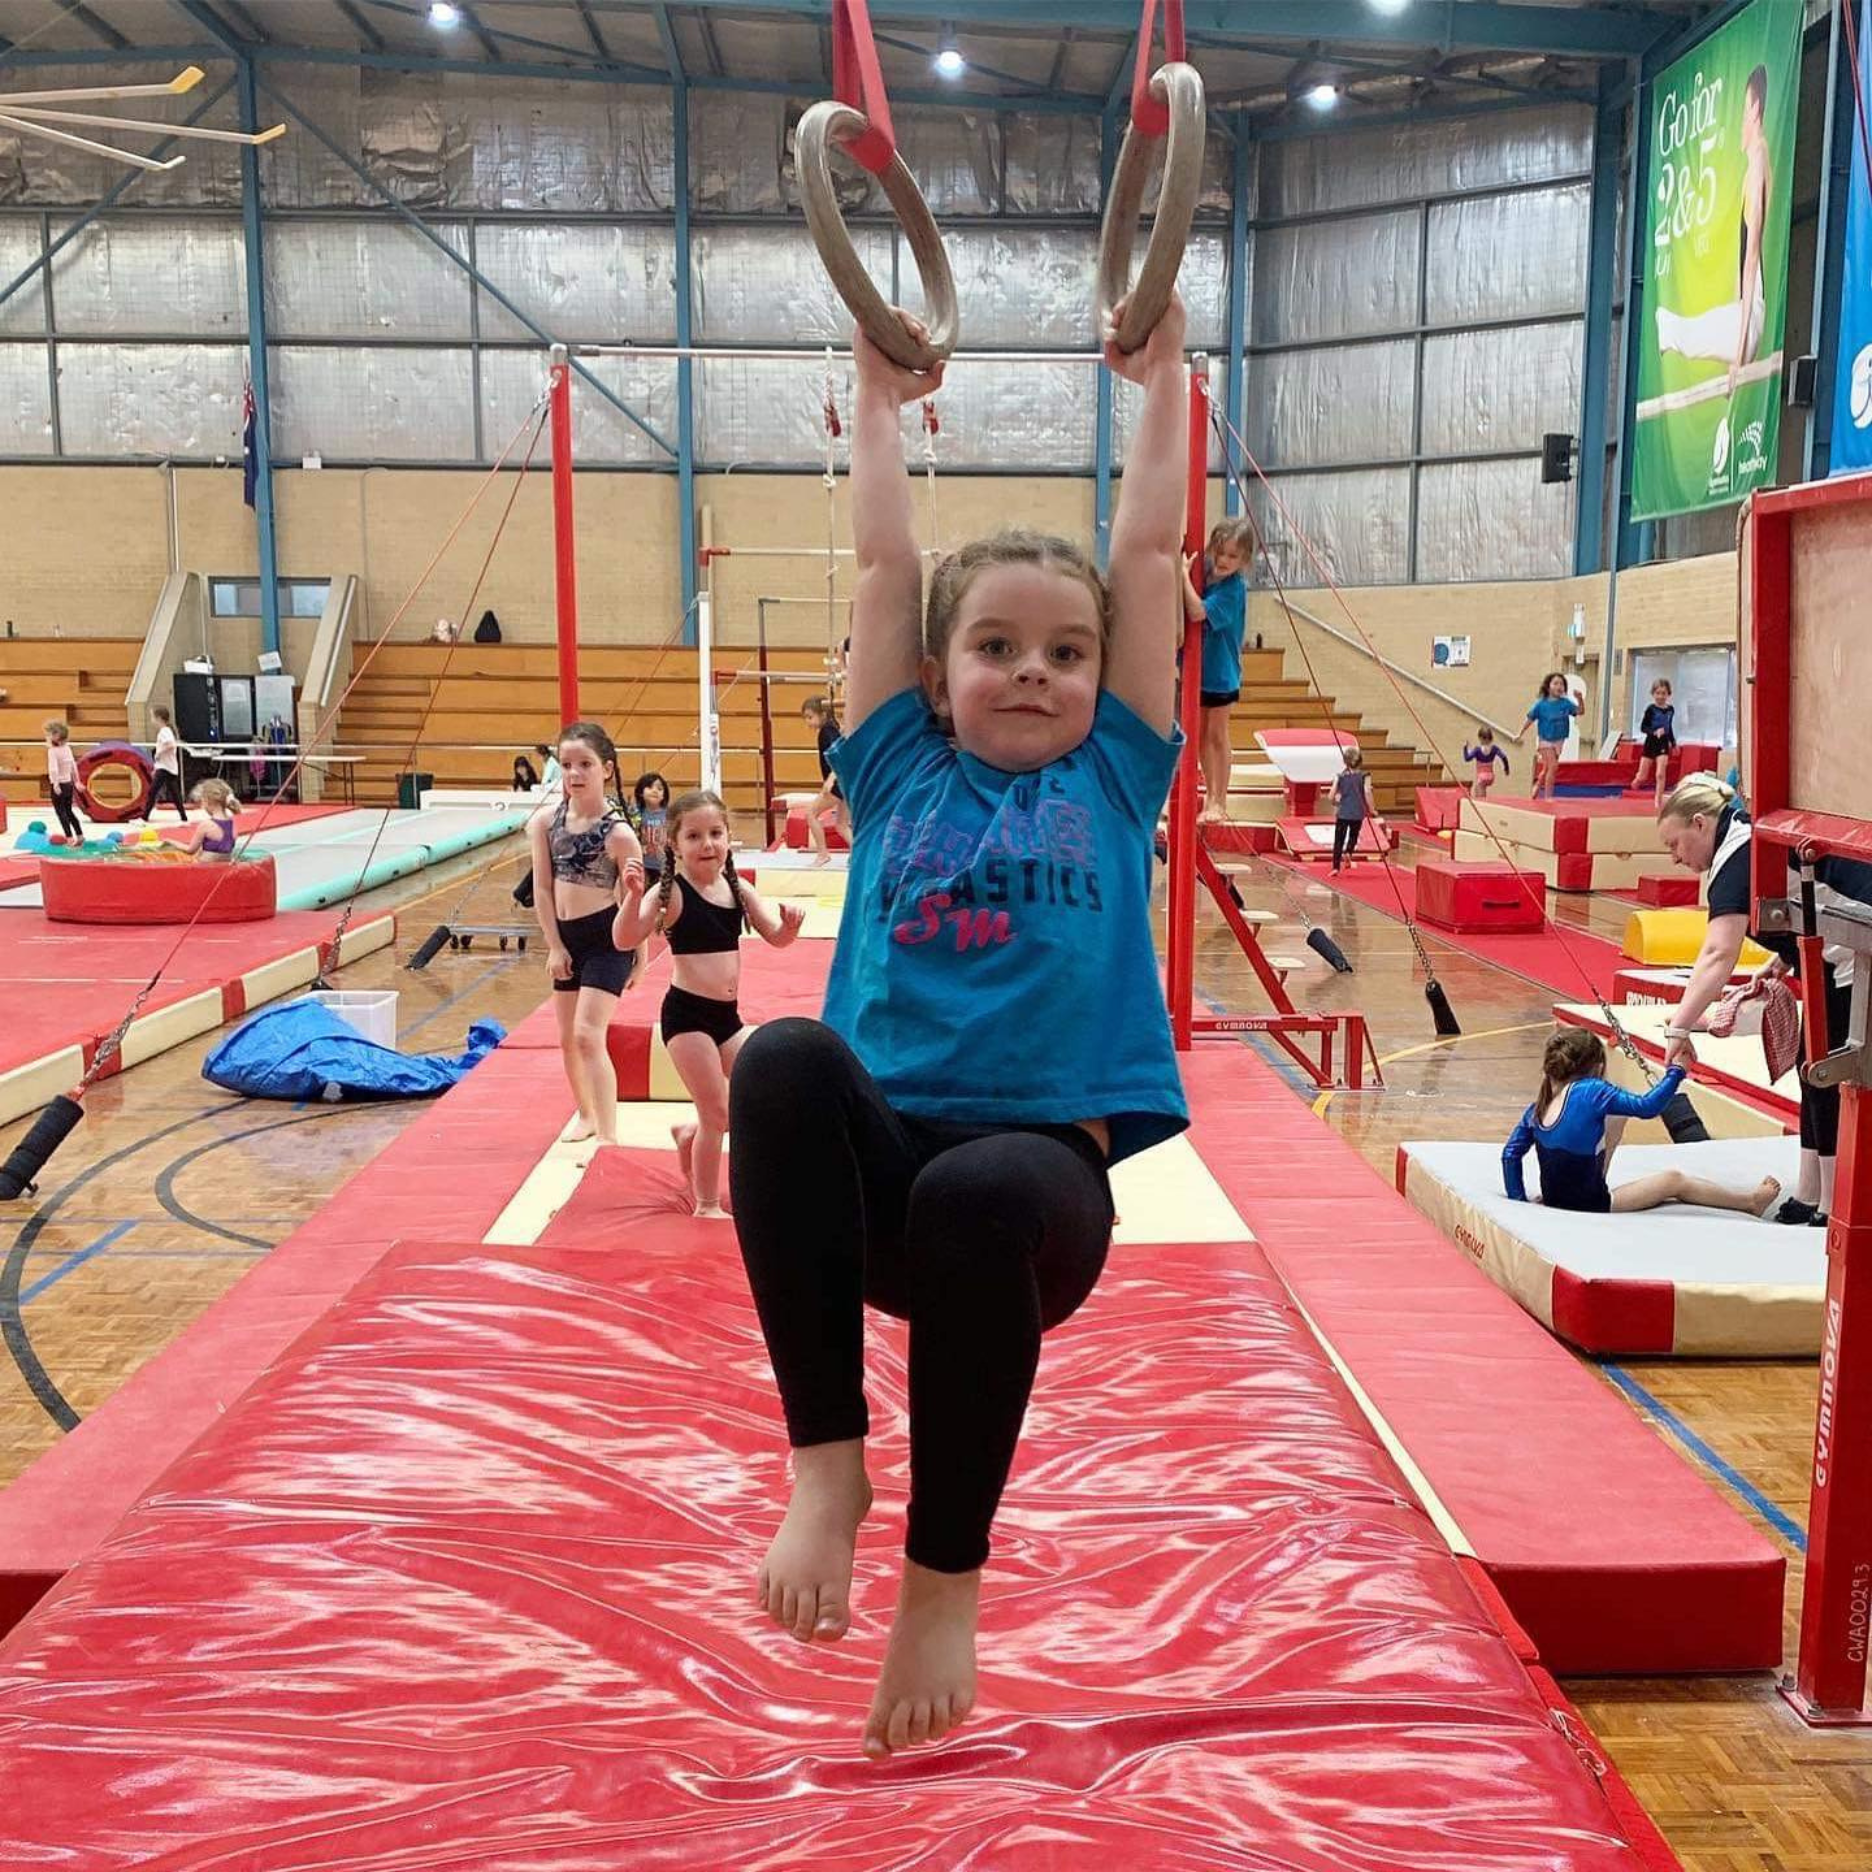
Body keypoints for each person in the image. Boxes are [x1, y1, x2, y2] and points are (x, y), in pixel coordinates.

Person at [726, 292, 1189, 1762]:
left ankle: (942, 1581)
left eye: (1066, 651)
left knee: (979, 1188)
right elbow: (883, 560)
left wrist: (1167, 380)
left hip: (1033, 1196)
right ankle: (827, 1465)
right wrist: (876, 404)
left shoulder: (1117, 777)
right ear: (938, 675)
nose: (1038, 672)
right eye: (998, 647)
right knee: (783, 1058)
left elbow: (1151, 556)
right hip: (878, 1188)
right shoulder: (899, 777)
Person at [1657, 773, 1872, 1228]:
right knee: (1809, 1070)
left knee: (1825, 1074)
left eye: (1675, 845)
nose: (1675, 858)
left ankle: (1833, 1203)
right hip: (1833, 955)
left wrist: (1679, 1027)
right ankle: (1812, 1190)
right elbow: (1799, 898)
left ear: (1700, 824)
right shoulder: (1744, 840)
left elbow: (1718, 953)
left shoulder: (1737, 854)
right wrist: (1784, 960)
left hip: (1857, 951)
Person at [611, 789, 804, 1219]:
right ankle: (706, 1202)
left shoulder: (738, 888)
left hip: (727, 1020)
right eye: (694, 836)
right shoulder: (671, 896)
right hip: (687, 1018)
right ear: (674, 846)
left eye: (716, 833)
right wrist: (630, 898)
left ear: (729, 838)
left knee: (755, 1097)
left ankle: (690, 1134)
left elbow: (775, 936)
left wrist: (788, 928)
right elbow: (624, 939)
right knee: (717, 1111)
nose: (708, 844)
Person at [1503, 1027, 1779, 1215]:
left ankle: (1590, 1182)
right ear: (1598, 1067)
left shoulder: (1536, 1108)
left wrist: (1520, 1203)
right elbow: (1647, 1107)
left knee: (1614, 1117)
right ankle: (1749, 1202)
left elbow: (1510, 1155)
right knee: (1674, 1181)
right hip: (1592, 1203)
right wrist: (1677, 1072)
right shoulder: (1592, 1091)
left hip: (1555, 1199)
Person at [527, 723, 644, 1149]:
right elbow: (542, 888)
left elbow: (635, 900)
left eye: (585, 765)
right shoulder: (545, 823)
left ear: (606, 769)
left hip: (607, 938)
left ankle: (609, 1135)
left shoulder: (619, 834)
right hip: (567, 938)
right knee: (566, 1038)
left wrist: (640, 955)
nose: (574, 774)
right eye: (567, 765)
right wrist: (554, 945)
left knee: (587, 1034)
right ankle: (587, 1114)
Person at [1656, 64, 1773, 397]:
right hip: (1747, 316)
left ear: (1753, 110)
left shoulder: (1755, 171)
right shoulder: (1759, 163)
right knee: (1675, 327)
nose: (1738, 124)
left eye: (1741, 111)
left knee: (1671, 327)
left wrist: (1739, 356)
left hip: (1750, 320)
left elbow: (1751, 261)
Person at [1180, 518, 1251, 823]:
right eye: (1219, 553)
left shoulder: (1233, 589)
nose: (1223, 561)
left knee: (1216, 736)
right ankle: (1208, 795)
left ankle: (1218, 800)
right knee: (1198, 738)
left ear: (1244, 560)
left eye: (1233, 556)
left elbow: (1196, 611)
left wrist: (1182, 576)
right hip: (1197, 671)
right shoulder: (1206, 576)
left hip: (1221, 672)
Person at [1514, 672, 1581, 800]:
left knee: (1547, 768)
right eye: (1555, 683)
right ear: (1548, 686)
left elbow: (1580, 711)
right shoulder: (1541, 704)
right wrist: (1520, 733)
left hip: (1559, 740)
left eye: (1561, 684)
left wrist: (1580, 699)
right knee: (1553, 767)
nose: (1559, 686)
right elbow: (1530, 719)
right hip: (1545, 739)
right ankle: (1548, 796)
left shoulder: (1565, 703)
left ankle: (1538, 784)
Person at [800, 697, 849, 865]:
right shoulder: (832, 728)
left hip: (837, 783)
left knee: (811, 814)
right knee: (841, 825)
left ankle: (823, 854)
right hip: (845, 783)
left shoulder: (827, 731)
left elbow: (840, 756)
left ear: (822, 714)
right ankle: (859, 855)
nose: (807, 722)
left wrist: (830, 779)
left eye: (810, 717)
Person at [1330, 744, 1377, 873]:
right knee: (1353, 835)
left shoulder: (1340, 776)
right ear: (1360, 761)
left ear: (1345, 762)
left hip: (1343, 813)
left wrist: (1334, 802)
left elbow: (1331, 795)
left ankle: (1335, 867)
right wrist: (1372, 809)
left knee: (1338, 840)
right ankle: (1349, 852)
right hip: (1357, 812)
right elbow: (1367, 792)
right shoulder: (1365, 776)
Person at [1632, 679, 1676, 809]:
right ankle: (1637, 780)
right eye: (1658, 693)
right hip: (1651, 743)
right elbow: (1643, 728)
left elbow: (1669, 727)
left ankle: (1658, 799)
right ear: (1653, 694)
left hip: (1663, 743)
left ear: (1668, 694)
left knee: (1660, 773)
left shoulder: (1670, 710)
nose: (1661, 696)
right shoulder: (1650, 710)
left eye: (1663, 693)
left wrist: (1673, 743)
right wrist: (1654, 731)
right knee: (1643, 776)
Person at [177, 778, 239, 861]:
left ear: (207, 801)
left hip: (205, 869)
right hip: (224, 868)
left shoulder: (206, 825)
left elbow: (190, 850)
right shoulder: (233, 825)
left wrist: (172, 843)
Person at [144, 707, 188, 822]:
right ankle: (183, 816)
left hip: (165, 767)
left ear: (159, 718)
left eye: (153, 717)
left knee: (152, 791)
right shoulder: (167, 730)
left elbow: (170, 744)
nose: (152, 720)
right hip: (168, 767)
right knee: (175, 793)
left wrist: (158, 752)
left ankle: (144, 816)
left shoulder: (164, 731)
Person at [43, 720, 81, 840]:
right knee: (69, 811)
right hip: (68, 784)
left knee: (61, 812)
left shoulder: (52, 751)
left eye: (49, 735)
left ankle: (69, 837)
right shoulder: (67, 748)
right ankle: (79, 835)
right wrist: (77, 781)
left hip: (59, 784)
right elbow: (73, 765)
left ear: (55, 737)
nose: (47, 737)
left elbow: (53, 769)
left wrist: (55, 785)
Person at [1464, 726, 1510, 802]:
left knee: (1480, 799)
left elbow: (1467, 758)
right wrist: (1506, 769)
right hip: (1490, 776)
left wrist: (1465, 748)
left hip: (1482, 777)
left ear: (1480, 738)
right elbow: (1504, 757)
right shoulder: (1494, 748)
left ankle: (1482, 808)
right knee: (1477, 789)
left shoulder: (1477, 750)